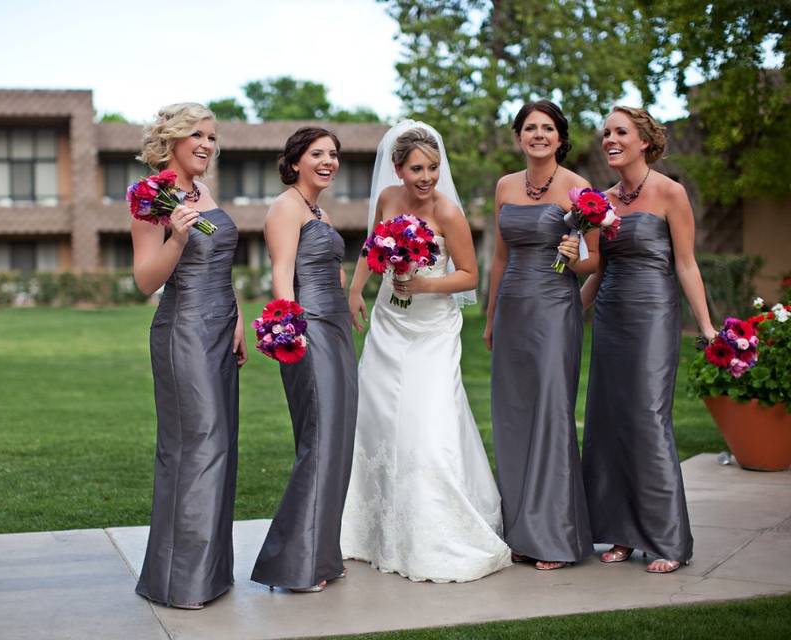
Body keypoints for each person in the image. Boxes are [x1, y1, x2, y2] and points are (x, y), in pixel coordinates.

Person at [341, 122, 511, 582]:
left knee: (427, 423)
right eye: (417, 168)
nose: (427, 177)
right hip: (389, 322)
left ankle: (435, 527)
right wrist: (357, 290)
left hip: (432, 330)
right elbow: (371, 247)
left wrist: (424, 284)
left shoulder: (449, 213)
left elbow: (470, 274)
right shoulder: (387, 200)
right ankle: (370, 528)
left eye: (433, 168)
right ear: (397, 169)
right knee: (376, 419)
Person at [580, 106, 717, 574]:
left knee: (647, 417)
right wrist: (568, 312)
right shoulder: (600, 201)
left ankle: (667, 539)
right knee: (608, 417)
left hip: (654, 314)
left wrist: (706, 326)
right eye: (606, 134)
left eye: (620, 132)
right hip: (611, 314)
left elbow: (686, 264)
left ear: (644, 140)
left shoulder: (670, 193)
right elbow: (598, 268)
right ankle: (619, 531)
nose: (610, 140)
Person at [132, 103, 247, 610]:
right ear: (173, 139)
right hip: (184, 332)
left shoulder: (202, 192)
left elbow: (218, 259)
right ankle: (179, 581)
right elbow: (144, 280)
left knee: (221, 443)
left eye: (211, 137)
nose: (206, 144)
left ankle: (210, 573)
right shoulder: (151, 197)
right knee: (195, 445)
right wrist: (177, 235)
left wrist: (239, 318)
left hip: (222, 327)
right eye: (197, 135)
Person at [485, 100, 597, 570]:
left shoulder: (579, 189)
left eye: (547, 128)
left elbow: (596, 263)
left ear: (560, 137)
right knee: (513, 417)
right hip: (512, 307)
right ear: (518, 137)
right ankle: (520, 530)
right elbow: (499, 258)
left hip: (554, 307)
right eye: (529, 128)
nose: (538, 135)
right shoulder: (505, 186)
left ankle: (553, 536)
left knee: (552, 414)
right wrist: (491, 317)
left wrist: (574, 256)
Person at [251, 127, 358, 593]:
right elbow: (282, 273)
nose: (328, 161)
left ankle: (320, 554)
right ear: (295, 161)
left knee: (336, 439)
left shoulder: (320, 211)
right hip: (308, 329)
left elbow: (329, 266)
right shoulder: (285, 207)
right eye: (318, 153)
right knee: (319, 438)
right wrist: (289, 329)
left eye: (333, 154)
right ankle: (293, 564)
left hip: (335, 328)